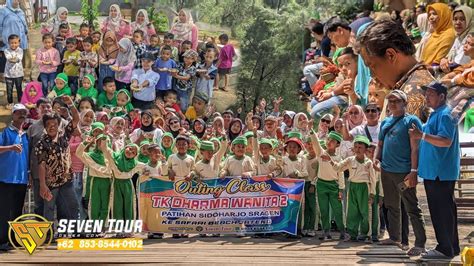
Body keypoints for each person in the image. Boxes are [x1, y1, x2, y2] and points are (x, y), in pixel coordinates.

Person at [409, 81, 460, 259]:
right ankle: (451, 246)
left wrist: (421, 135)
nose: (426, 97)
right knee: (445, 210)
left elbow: (446, 141)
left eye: (430, 94)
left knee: (441, 211)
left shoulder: (445, 114)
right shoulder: (436, 113)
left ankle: (444, 248)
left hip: (440, 172)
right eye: (426, 94)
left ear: (442, 96)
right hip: (436, 172)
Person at [376, 90, 427, 256]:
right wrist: (377, 159)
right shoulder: (385, 122)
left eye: (396, 101)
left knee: (411, 207)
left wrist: (414, 171)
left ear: (404, 103)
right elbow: (381, 144)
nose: (392, 104)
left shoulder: (411, 121)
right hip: (386, 170)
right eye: (390, 101)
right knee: (391, 205)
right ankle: (395, 237)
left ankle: (420, 243)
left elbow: (416, 148)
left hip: (403, 172)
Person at [357, 19, 435, 122]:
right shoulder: (410, 86)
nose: (372, 74)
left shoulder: (411, 97)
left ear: (391, 55)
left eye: (372, 65)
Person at [35, 95, 80, 223]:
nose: (52, 126)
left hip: (67, 180)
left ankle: (75, 231)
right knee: (49, 208)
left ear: (59, 124)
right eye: (48, 124)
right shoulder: (41, 143)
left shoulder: (64, 135)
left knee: (73, 206)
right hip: (51, 183)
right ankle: (47, 235)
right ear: (44, 126)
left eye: (54, 124)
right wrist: (43, 185)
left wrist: (71, 104)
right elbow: (41, 165)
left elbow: (76, 119)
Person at [323, 135, 376, 242]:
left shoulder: (369, 163)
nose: (358, 149)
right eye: (355, 147)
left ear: (366, 149)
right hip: (352, 187)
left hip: (364, 188)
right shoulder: (350, 160)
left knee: (365, 212)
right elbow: (338, 168)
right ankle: (352, 234)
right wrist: (330, 160)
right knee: (352, 211)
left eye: (360, 147)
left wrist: (372, 194)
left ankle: (365, 234)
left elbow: (373, 180)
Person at [0, 104, 28, 251]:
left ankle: (13, 240)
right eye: (19, 113)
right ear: (13, 115)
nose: (22, 115)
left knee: (17, 211)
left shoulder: (26, 134)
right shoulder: (5, 132)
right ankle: (1, 241)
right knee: (3, 211)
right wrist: (10, 147)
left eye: (24, 112)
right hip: (5, 178)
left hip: (21, 179)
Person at [0, 0, 30, 81]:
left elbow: (24, 24)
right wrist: (0, 37)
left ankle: (19, 74)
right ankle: (4, 75)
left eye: (18, 0)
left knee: (19, 56)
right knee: (7, 56)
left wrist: (27, 35)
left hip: (20, 39)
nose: (16, 1)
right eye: (14, 0)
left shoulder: (20, 11)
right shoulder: (3, 11)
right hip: (8, 39)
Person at [439, 6, 473, 73]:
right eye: (455, 19)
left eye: (462, 19)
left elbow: (459, 64)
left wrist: (436, 68)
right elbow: (450, 57)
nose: (458, 22)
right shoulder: (459, 36)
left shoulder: (471, 38)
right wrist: (444, 60)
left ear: (469, 20)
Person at [4, 34, 23, 109]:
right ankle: (10, 102)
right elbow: (9, 59)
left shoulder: (20, 50)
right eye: (12, 43)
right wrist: (14, 59)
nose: (14, 44)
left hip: (19, 74)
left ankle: (20, 102)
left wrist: (13, 59)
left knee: (19, 88)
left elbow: (18, 59)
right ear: (8, 43)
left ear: (19, 43)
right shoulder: (6, 50)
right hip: (9, 74)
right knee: (9, 89)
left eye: (15, 43)